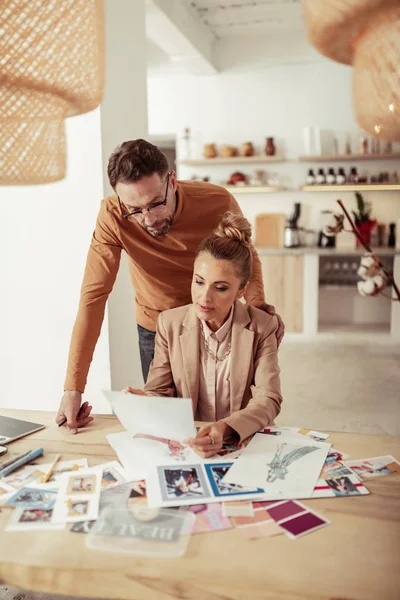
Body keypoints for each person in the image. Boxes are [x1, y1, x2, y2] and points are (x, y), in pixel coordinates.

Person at [56, 139, 284, 433]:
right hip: (158, 325)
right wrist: (73, 387)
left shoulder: (216, 201)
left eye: (155, 204)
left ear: (172, 182)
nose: (147, 219)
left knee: (232, 410)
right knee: (165, 426)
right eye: (134, 210)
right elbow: (93, 297)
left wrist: (257, 312)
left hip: (220, 317)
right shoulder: (112, 216)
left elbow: (246, 260)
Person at [126, 212, 283, 458]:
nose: (204, 297)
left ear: (241, 290)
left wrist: (226, 428)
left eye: (220, 288)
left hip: (242, 442)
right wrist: (144, 400)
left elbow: (269, 399)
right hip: (191, 444)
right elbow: (158, 391)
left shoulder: (262, 326)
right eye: (199, 282)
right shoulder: (169, 323)